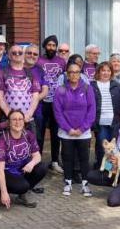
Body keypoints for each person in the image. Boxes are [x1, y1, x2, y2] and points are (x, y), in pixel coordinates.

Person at [0, 110, 48, 209]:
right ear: (9, 122)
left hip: (20, 167)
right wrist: (4, 193)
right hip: (4, 170)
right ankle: (0, 190)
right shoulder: (3, 141)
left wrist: (31, 164)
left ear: (24, 121)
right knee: (22, 186)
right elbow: (0, 171)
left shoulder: (28, 134)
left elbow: (37, 156)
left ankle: (21, 195)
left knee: (42, 167)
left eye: (20, 119)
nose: (17, 122)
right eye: (14, 119)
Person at [54, 62, 96, 197]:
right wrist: (68, 129)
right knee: (67, 158)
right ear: (67, 74)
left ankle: (85, 184)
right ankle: (68, 183)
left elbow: (92, 110)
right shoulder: (60, 89)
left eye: (76, 72)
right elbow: (58, 112)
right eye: (71, 72)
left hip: (83, 132)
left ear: (80, 74)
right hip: (67, 133)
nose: (74, 75)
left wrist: (82, 128)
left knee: (84, 158)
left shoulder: (87, 89)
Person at [36, 35, 67, 174]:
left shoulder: (61, 61)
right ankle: (37, 160)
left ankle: (54, 161)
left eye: (54, 45)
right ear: (44, 46)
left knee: (56, 133)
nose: (51, 48)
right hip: (42, 102)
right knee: (39, 133)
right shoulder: (38, 60)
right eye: (49, 45)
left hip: (56, 102)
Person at [0, 44, 41, 135]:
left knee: (30, 147)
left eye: (20, 53)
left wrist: (29, 114)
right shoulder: (2, 72)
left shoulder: (30, 74)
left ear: (23, 55)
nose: (17, 54)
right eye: (14, 53)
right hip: (8, 118)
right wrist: (10, 114)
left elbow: (35, 97)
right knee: (6, 146)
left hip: (28, 119)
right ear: (9, 55)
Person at [90, 62, 120, 168]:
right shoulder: (92, 86)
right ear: (99, 72)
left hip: (115, 122)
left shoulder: (116, 85)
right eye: (103, 70)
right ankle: (103, 168)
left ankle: (111, 169)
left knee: (113, 148)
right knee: (103, 147)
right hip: (100, 122)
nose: (106, 73)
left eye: (108, 71)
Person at [24, 44, 49, 123]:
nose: (32, 55)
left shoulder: (41, 71)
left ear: (38, 57)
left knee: (37, 135)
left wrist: (32, 100)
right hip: (18, 112)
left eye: (35, 54)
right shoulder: (17, 68)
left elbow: (45, 91)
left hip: (36, 113)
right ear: (24, 54)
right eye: (29, 53)